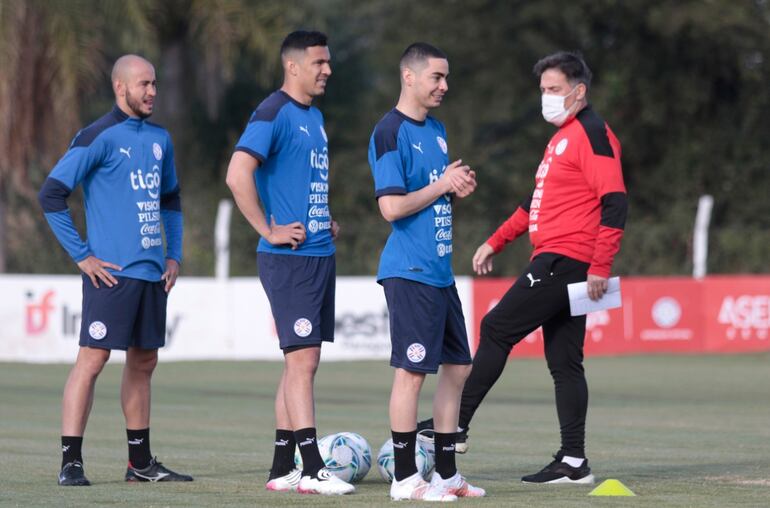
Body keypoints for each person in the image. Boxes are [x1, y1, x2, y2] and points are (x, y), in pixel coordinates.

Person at [419, 51, 627, 484]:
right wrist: (495, 241)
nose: (546, 98)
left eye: (553, 90)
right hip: (561, 259)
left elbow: (615, 201)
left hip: (567, 260)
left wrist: (599, 266)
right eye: (543, 90)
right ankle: (573, 462)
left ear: (579, 91)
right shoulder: (560, 138)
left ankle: (455, 424)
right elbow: (533, 204)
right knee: (565, 362)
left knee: (497, 327)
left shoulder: (592, 133)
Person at [38, 55, 191, 486]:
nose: (152, 92)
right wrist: (82, 255)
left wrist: (173, 255)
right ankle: (71, 462)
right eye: (144, 84)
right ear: (120, 88)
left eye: (155, 84)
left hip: (152, 274)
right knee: (93, 359)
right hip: (110, 274)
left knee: (143, 363)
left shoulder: (161, 138)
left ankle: (139, 465)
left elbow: (171, 200)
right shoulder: (97, 136)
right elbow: (51, 194)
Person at [225, 30, 353, 496]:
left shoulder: (314, 116)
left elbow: (298, 182)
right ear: (293, 66)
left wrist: (324, 219)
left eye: (328, 62)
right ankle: (314, 469)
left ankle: (282, 467)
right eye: (319, 62)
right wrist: (268, 230)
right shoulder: (272, 111)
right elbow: (237, 173)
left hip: (318, 252)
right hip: (288, 259)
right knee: (301, 363)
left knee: (304, 362)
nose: (327, 70)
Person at [368, 42, 485, 502]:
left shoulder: (436, 130)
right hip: (409, 271)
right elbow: (392, 207)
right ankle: (403, 479)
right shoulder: (389, 130)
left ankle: (447, 475)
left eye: (446, 77)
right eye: (437, 77)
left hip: (439, 272)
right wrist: (441, 184)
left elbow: (431, 195)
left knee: (458, 368)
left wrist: (455, 189)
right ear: (409, 77)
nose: (444, 85)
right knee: (411, 374)